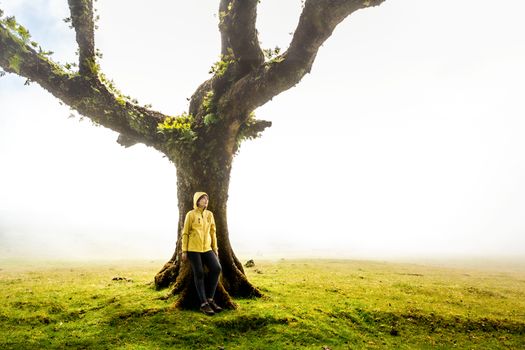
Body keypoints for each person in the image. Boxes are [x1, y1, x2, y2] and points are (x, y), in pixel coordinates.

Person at [181, 191, 223, 315]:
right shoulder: (191, 214)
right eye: (203, 198)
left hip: (207, 248)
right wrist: (184, 250)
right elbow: (185, 232)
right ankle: (203, 304)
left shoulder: (210, 215)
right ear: (197, 201)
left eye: (207, 199)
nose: (206, 200)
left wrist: (215, 248)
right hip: (193, 249)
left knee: (216, 268)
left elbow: (213, 232)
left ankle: (210, 299)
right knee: (199, 273)